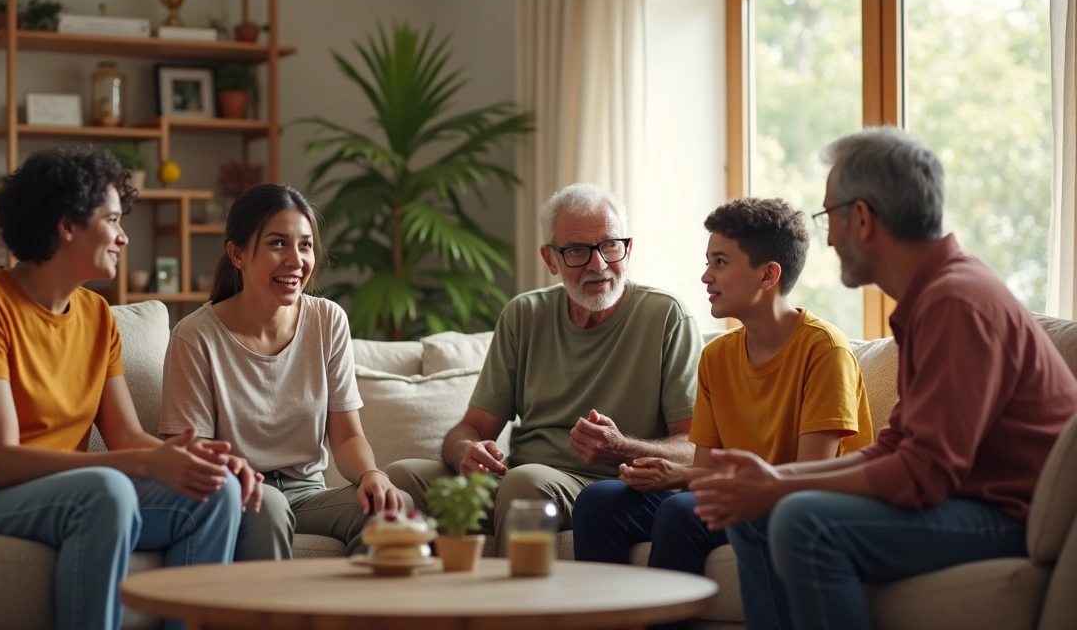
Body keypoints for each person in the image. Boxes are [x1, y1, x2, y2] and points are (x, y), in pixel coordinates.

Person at [690, 127, 1077, 630]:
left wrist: (780, 486)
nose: (826, 238)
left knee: (802, 523)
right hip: (967, 501)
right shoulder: (932, 297)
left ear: (864, 218)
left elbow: (922, 472)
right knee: (755, 512)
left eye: (829, 216)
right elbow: (898, 446)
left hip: (1010, 515)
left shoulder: (955, 301)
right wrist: (772, 482)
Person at [0, 147, 247, 630]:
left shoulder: (96, 317)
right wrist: (144, 462)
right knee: (107, 490)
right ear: (67, 226)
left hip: (68, 493)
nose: (123, 236)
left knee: (215, 493)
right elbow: (2, 461)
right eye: (112, 220)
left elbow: (129, 438)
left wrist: (200, 461)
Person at [572, 198, 874, 592]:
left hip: (801, 504)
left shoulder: (824, 350)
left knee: (682, 511)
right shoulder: (717, 356)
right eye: (708, 262)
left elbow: (807, 478)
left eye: (720, 263)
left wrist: (679, 477)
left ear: (768, 276)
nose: (705, 277)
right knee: (599, 502)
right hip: (736, 497)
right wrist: (665, 476)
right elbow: (707, 470)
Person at [386, 183, 702, 548]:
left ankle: (515, 605)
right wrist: (465, 453)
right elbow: (471, 427)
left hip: (604, 488)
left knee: (524, 483)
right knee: (401, 476)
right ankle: (413, 603)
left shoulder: (666, 316)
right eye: (578, 251)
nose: (598, 264)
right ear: (550, 259)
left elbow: (693, 447)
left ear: (628, 249)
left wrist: (622, 447)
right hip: (521, 480)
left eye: (610, 245)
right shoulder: (524, 314)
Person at [159, 183, 408, 561]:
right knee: (270, 506)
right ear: (237, 254)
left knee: (391, 507)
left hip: (309, 494)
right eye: (278, 243)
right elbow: (190, 451)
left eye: (305, 245)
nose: (296, 260)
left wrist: (371, 475)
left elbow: (345, 436)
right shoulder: (196, 336)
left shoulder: (327, 320)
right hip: (241, 493)